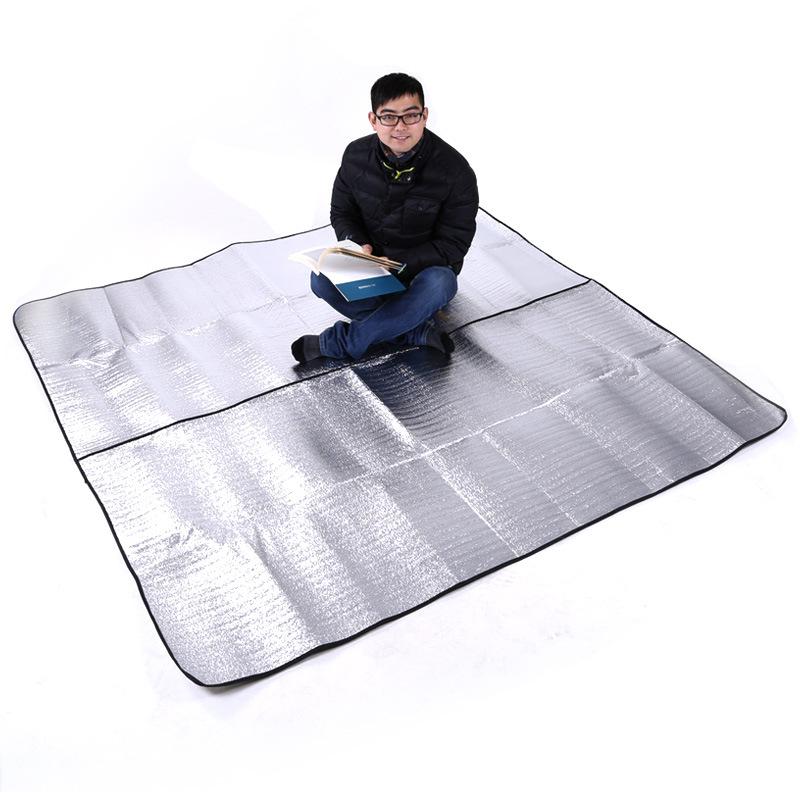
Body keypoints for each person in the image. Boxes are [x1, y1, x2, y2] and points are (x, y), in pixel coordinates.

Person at [291, 72, 479, 363]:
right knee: (320, 279)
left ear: (425, 116)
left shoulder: (455, 170)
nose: (400, 127)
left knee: (441, 283)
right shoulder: (355, 155)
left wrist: (398, 263)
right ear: (373, 119)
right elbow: (342, 211)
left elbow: (454, 244)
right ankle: (411, 330)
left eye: (411, 116)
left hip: (422, 274)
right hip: (372, 269)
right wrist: (358, 244)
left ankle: (339, 344)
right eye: (389, 117)